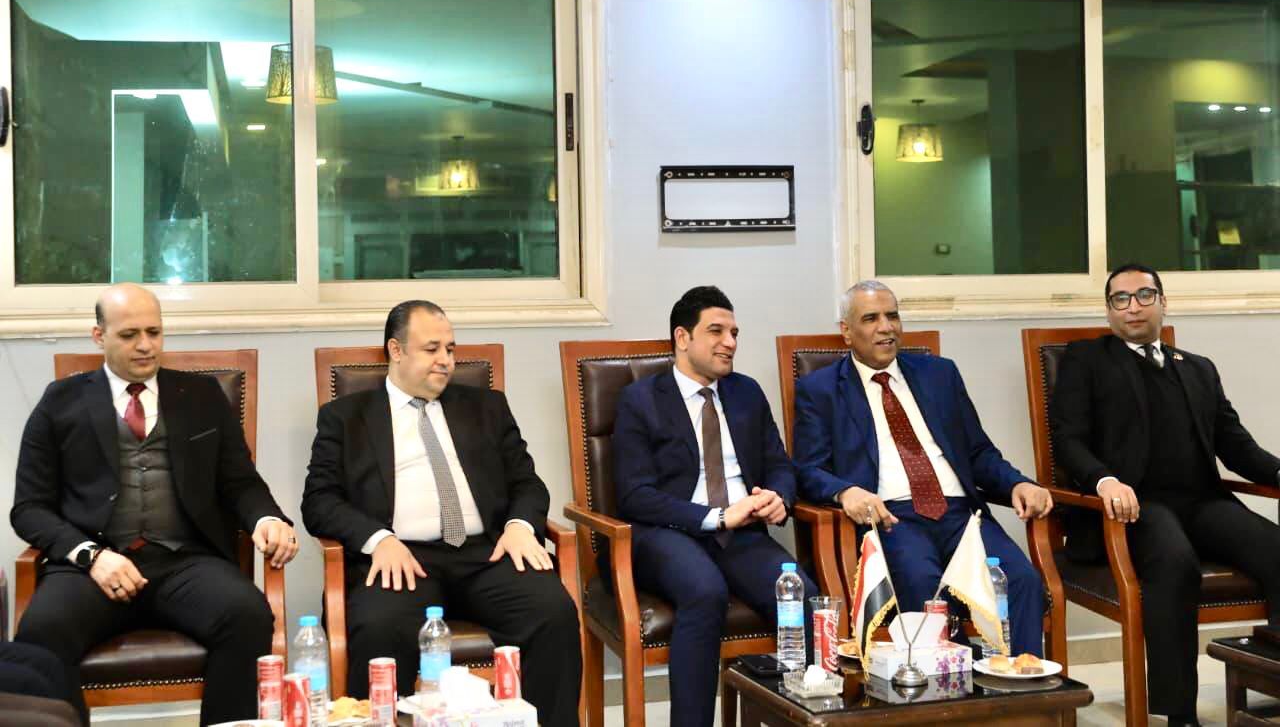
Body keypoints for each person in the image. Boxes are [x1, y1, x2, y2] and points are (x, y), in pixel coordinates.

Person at [10, 283, 298, 726]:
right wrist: (91, 556)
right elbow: (29, 508)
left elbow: (240, 482)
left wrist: (266, 518)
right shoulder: (59, 402)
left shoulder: (202, 396)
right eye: (129, 335)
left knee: (248, 616)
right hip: (94, 566)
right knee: (40, 633)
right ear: (99, 336)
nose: (145, 345)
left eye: (154, 332)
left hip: (185, 563)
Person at [301, 300, 580, 727]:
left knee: (552, 612)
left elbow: (527, 482)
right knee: (377, 627)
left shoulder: (487, 407)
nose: (446, 360)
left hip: (486, 554)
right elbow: (319, 501)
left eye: (450, 349)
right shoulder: (345, 417)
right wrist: (379, 540)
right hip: (403, 559)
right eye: (432, 349)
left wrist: (520, 526)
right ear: (396, 350)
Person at [1050, 263, 1280, 727]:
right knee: (1174, 562)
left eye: (1143, 295)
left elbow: (1236, 445)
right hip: (1132, 507)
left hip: (1202, 503)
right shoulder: (1086, 360)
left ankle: (1273, 680)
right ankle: (1180, 715)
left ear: (1163, 302)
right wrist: (1105, 481)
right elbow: (1068, 440)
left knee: (1276, 549)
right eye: (1120, 299)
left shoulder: (1197, 368)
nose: (1132, 306)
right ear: (1109, 310)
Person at [793, 280, 1052, 657]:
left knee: (1022, 580)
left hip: (961, 516)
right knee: (924, 587)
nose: (886, 327)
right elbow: (808, 469)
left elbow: (978, 452)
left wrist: (1018, 484)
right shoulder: (821, 390)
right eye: (871, 318)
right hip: (892, 520)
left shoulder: (939, 374)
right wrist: (846, 492)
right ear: (846, 331)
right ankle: (957, 686)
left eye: (892, 316)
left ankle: (1023, 683)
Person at [611, 286, 818, 727]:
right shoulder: (641, 399)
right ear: (682, 337)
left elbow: (780, 465)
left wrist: (778, 498)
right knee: (704, 592)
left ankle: (804, 717)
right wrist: (717, 516)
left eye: (735, 333)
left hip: (742, 534)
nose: (730, 342)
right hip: (668, 534)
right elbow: (634, 494)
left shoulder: (746, 393)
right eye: (717, 331)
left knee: (801, 596)